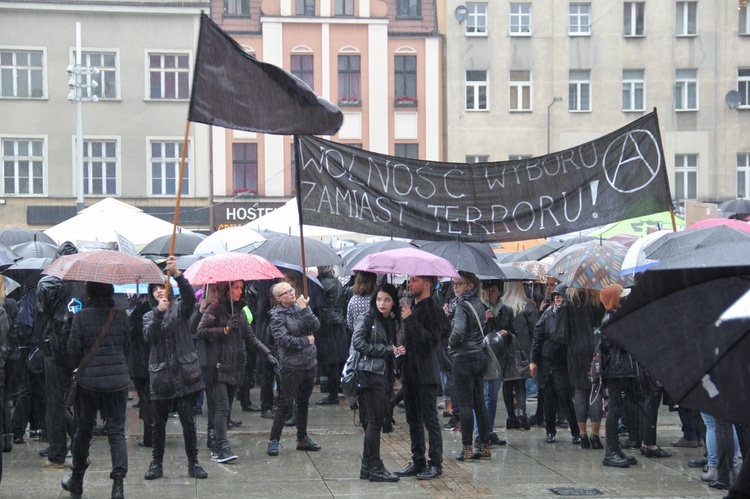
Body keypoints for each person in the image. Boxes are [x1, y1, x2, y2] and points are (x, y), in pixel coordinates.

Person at [61, 282, 130, 499]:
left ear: (89, 292)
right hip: (118, 382)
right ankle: (118, 487)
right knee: (117, 433)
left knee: (83, 432)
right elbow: (126, 347)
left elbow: (71, 352)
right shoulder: (122, 316)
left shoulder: (81, 317)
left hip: (89, 383)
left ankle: (77, 480)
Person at [143, 257, 207, 480]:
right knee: (158, 424)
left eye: (163, 287)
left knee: (188, 421)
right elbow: (150, 336)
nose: (160, 291)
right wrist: (159, 314)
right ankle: (156, 463)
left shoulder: (181, 308)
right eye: (155, 289)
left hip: (184, 373)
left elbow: (190, 298)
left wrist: (178, 275)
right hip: (161, 376)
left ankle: (194, 462)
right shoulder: (148, 315)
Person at [198, 280, 276, 463]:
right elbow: (201, 330)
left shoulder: (239, 312)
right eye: (236, 287)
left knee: (226, 409)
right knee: (222, 408)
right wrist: (224, 330)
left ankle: (218, 444)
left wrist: (267, 354)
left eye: (241, 288)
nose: (240, 291)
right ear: (226, 289)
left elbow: (251, 338)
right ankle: (222, 446)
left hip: (234, 367)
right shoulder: (214, 309)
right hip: (217, 367)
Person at [36, 241, 84, 469]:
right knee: (81, 403)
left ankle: (57, 453)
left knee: (55, 403)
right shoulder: (86, 284)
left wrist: (44, 345)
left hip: (54, 348)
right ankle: (79, 448)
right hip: (80, 351)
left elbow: (40, 318)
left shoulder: (47, 283)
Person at [393, 275, 444, 480]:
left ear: (427, 284)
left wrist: (410, 319)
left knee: (429, 420)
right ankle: (418, 460)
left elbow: (430, 341)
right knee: (412, 420)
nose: (410, 284)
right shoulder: (411, 307)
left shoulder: (434, 309)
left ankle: (435, 463)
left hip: (426, 375)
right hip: (410, 373)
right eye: (410, 280)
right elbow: (409, 340)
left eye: (414, 280)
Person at [352, 282, 401, 482]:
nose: (383, 303)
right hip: (370, 376)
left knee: (375, 422)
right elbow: (358, 343)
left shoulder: (390, 320)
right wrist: (387, 351)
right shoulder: (367, 318)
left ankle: (368, 466)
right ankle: (375, 467)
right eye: (380, 299)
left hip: (382, 376)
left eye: (387, 300)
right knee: (374, 423)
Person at [266, 281, 321, 457]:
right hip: (291, 365)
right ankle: (274, 439)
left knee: (303, 402)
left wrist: (305, 309)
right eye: (286, 292)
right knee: (285, 403)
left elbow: (316, 326)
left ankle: (302, 437)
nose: (291, 293)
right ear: (278, 298)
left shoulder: (300, 306)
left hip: (309, 362)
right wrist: (306, 341)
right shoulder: (276, 316)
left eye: (291, 290)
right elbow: (283, 340)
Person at [447, 271, 491, 462]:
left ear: (471, 285)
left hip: (463, 357)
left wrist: (450, 344)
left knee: (465, 405)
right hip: (480, 356)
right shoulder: (479, 303)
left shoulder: (461, 306)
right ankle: (485, 447)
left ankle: (466, 449)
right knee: (479, 403)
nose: (455, 287)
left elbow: (458, 332)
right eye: (454, 284)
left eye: (459, 284)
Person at [529, 283, 579, 445]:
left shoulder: (570, 314)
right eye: (555, 296)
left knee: (565, 398)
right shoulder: (547, 315)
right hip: (546, 362)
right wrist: (533, 361)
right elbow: (537, 337)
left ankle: (575, 431)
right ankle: (550, 431)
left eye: (560, 295)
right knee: (549, 400)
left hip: (563, 363)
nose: (557, 298)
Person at [554, 287, 604, 450]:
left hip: (575, 352)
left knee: (580, 392)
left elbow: (559, 334)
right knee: (595, 391)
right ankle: (595, 435)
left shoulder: (570, 303)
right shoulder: (597, 301)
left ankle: (582, 434)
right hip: (594, 351)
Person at [599, 284, 638, 468]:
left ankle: (615, 449)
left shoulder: (614, 317)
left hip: (619, 369)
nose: (622, 299)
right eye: (620, 296)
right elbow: (625, 342)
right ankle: (611, 452)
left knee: (617, 408)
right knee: (614, 410)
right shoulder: (611, 319)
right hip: (617, 370)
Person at [500, 281, 538, 432]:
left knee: (507, 383)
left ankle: (511, 416)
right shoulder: (527, 305)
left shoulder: (501, 305)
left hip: (505, 349)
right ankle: (522, 412)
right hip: (522, 349)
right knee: (520, 382)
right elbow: (534, 329)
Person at [482, 280, 515, 443]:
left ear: (499, 292)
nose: (489, 293)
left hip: (499, 358)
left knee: (492, 397)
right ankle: (482, 434)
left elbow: (514, 333)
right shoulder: (480, 309)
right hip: (483, 358)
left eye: (493, 290)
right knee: (484, 397)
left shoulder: (506, 310)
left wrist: (507, 333)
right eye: (486, 290)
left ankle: (489, 431)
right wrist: (484, 320)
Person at [315, 265, 348, 405]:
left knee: (330, 363)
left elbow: (319, 307)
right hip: (338, 325)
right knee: (336, 361)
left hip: (327, 328)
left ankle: (333, 394)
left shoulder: (320, 284)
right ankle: (336, 391)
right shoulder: (337, 282)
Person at [191, 284, 219, 449]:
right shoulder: (199, 308)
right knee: (212, 397)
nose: (215, 294)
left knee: (219, 400)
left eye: (217, 290)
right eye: (212, 290)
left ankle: (216, 432)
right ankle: (211, 432)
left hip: (222, 357)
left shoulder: (224, 307)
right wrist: (200, 311)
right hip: (206, 358)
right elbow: (192, 329)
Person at [127, 292, 152, 448]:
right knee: (150, 400)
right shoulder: (157, 312)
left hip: (138, 362)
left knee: (145, 400)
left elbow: (131, 334)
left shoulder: (138, 313)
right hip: (151, 361)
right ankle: (151, 436)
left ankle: (149, 436)